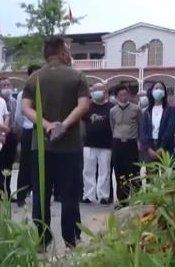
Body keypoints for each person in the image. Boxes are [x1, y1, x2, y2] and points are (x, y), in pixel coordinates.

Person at [21, 36, 90, 249]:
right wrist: (64, 125)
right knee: (70, 194)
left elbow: (26, 108)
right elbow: (84, 105)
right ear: (62, 53)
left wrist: (47, 125)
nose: (69, 54)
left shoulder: (33, 79)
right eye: (68, 50)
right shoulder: (77, 76)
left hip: (41, 147)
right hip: (70, 147)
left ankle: (43, 239)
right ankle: (71, 239)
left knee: (41, 194)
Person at [14, 65, 42, 207]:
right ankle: (21, 196)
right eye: (33, 74)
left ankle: (39, 195)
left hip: (42, 131)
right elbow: (18, 116)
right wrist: (27, 126)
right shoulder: (22, 94)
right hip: (29, 130)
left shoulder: (44, 91)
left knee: (40, 164)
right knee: (25, 164)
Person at [81, 82, 113, 205]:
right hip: (88, 143)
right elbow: (82, 122)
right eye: (95, 89)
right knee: (88, 170)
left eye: (100, 89)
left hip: (106, 144)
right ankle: (88, 195)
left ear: (105, 91)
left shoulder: (111, 107)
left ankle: (104, 196)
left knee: (105, 171)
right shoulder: (87, 107)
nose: (98, 92)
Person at [109, 85, 141, 205]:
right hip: (117, 143)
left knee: (134, 172)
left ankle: (137, 198)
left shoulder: (136, 109)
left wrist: (139, 142)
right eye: (121, 95)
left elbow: (141, 125)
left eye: (126, 94)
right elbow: (112, 126)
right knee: (119, 172)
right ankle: (122, 201)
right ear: (116, 97)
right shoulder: (113, 111)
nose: (124, 97)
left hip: (131, 143)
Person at [139, 82, 175, 164]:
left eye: (161, 88)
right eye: (156, 88)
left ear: (164, 92)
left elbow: (170, 130)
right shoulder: (146, 112)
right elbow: (143, 131)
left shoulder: (171, 110)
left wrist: (162, 148)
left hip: (166, 148)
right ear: (152, 92)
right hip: (150, 148)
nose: (159, 90)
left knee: (167, 171)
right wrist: (149, 149)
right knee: (151, 171)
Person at [0, 76, 19, 197]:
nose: (6, 88)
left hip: (12, 136)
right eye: (3, 85)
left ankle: (7, 192)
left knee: (8, 166)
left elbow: (15, 118)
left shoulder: (13, 101)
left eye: (8, 85)